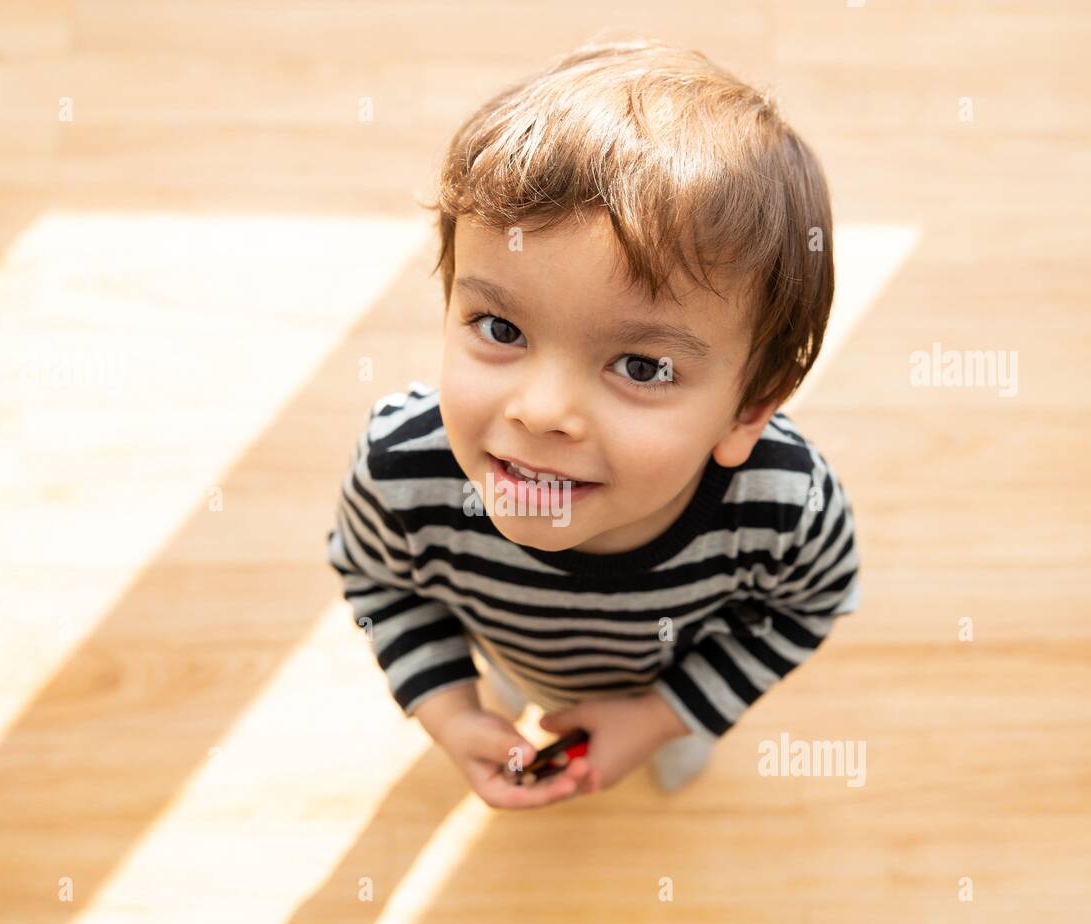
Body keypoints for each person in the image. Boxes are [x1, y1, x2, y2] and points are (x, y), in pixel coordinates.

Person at [326, 39, 861, 808]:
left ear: (749, 408)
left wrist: (663, 716)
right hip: (505, 650)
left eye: (641, 367)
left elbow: (808, 606)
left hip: (672, 671)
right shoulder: (401, 468)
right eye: (500, 328)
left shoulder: (786, 505)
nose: (541, 411)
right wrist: (449, 706)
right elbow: (375, 577)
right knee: (510, 685)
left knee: (679, 738)